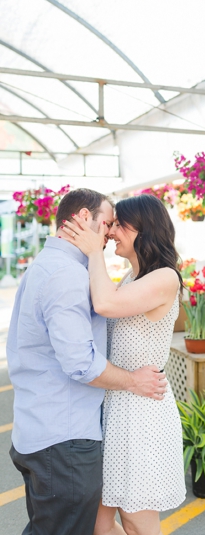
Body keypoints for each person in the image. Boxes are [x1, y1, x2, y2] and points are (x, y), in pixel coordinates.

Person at [6, 188, 167, 535]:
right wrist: (133, 381)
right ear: (82, 218)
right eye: (107, 224)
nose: (109, 234)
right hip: (63, 438)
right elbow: (82, 362)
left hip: (58, 429)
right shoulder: (66, 274)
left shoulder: (50, 266)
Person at [63, 194, 187, 535]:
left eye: (119, 224)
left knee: (137, 521)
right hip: (117, 411)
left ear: (143, 229)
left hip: (143, 416)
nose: (111, 231)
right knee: (99, 524)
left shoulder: (165, 278)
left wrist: (91, 250)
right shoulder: (131, 279)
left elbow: (103, 303)